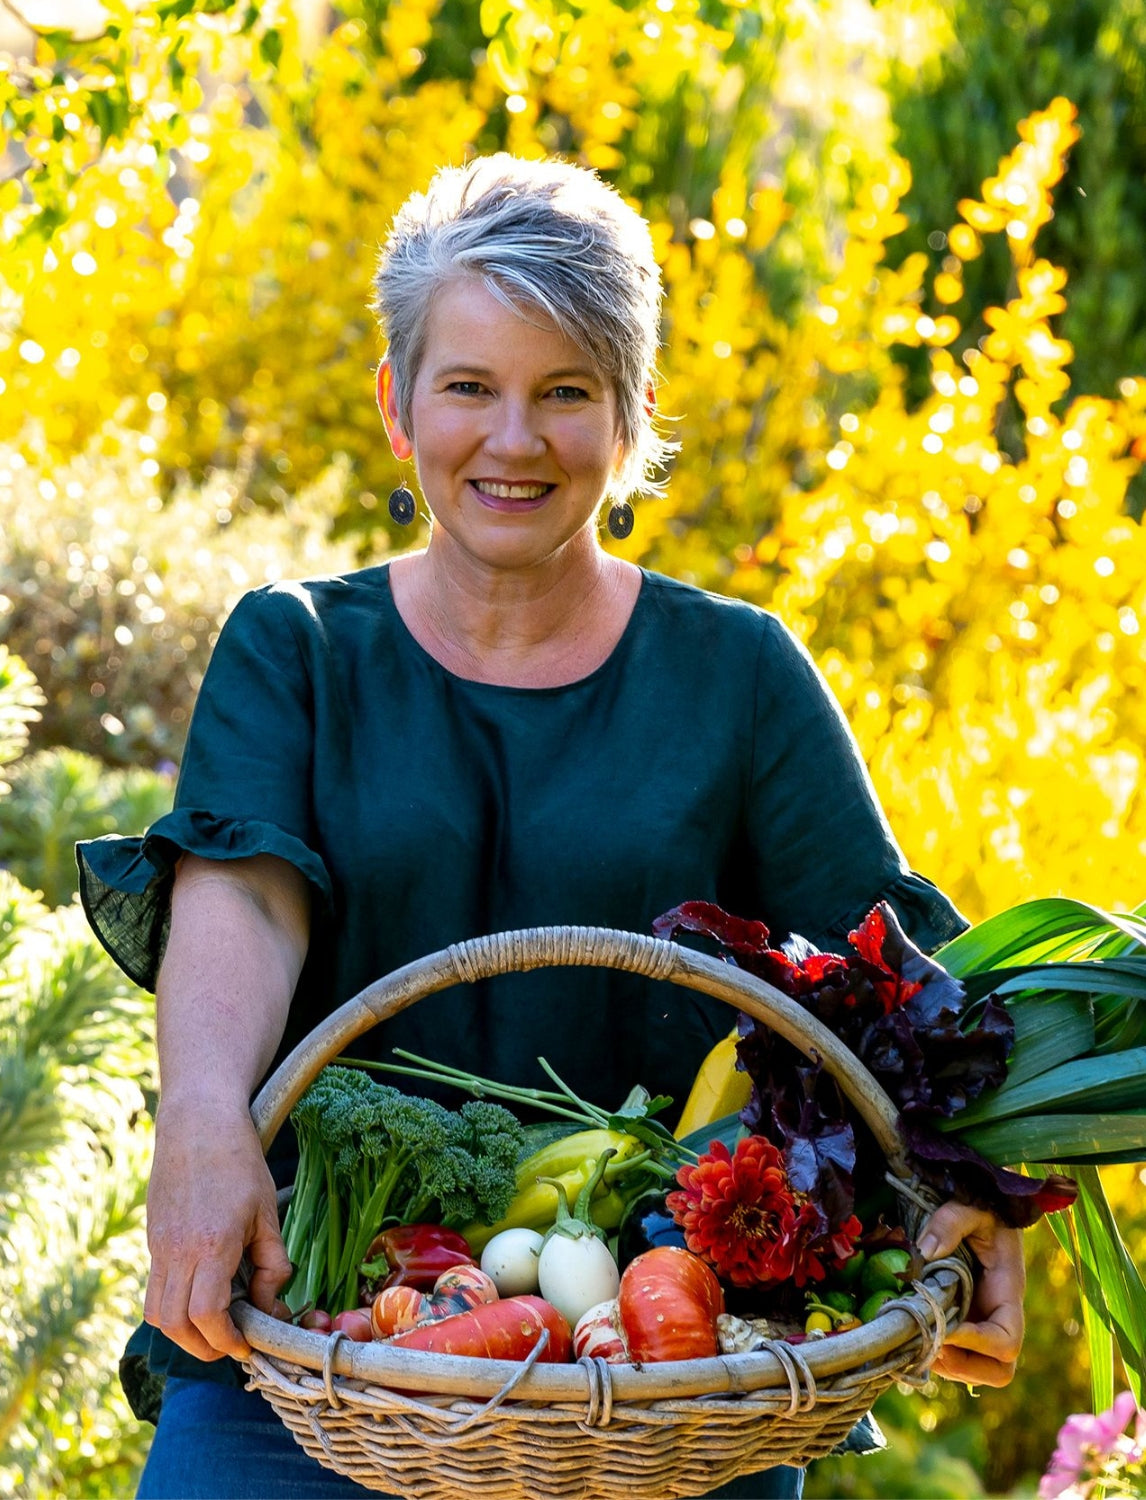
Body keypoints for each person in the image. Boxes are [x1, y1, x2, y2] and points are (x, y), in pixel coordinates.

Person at [78, 153, 1025, 1500]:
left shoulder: (740, 676)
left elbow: (882, 976)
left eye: (566, 392)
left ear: (632, 416)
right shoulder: (298, 649)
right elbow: (243, 897)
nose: (513, 441)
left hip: (670, 1381)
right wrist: (200, 1120)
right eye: (468, 386)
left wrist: (980, 1177)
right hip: (307, 1347)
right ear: (396, 404)